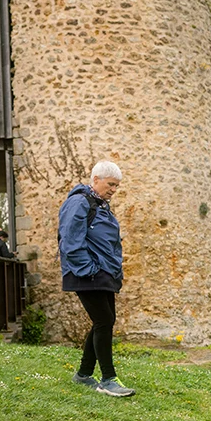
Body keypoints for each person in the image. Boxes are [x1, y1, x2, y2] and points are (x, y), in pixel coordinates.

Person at [58, 161, 135, 398]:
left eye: (117, 186)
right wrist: (87, 269)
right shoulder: (79, 202)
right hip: (88, 273)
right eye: (110, 184)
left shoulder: (101, 205)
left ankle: (83, 374)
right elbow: (70, 240)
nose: (113, 189)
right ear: (96, 180)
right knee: (103, 320)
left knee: (104, 320)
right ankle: (108, 379)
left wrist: (112, 271)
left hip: (102, 273)